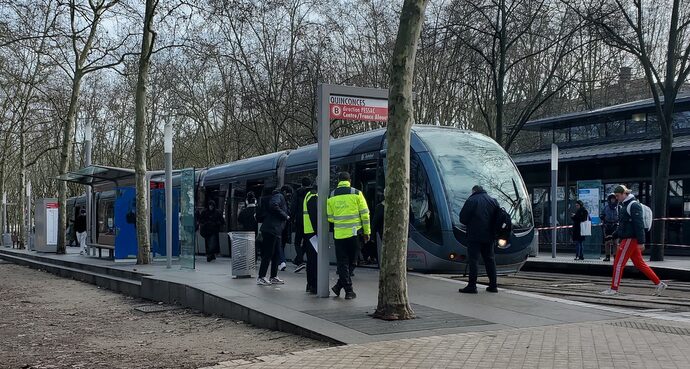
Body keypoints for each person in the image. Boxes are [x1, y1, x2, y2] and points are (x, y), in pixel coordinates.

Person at [601, 185, 668, 296]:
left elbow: (639, 225)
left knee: (618, 264)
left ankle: (613, 289)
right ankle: (659, 283)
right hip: (630, 239)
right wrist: (612, 236)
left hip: (629, 239)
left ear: (624, 194)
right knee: (640, 264)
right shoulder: (626, 205)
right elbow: (624, 225)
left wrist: (641, 242)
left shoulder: (633, 205)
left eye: (618, 196)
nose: (616, 198)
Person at [327, 172, 370, 299]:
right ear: (349, 180)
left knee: (342, 263)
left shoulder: (332, 195)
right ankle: (348, 290)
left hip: (339, 235)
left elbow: (330, 217)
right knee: (354, 261)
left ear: (339, 181)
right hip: (354, 233)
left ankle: (340, 286)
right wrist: (367, 232)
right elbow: (365, 214)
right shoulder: (357, 193)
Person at [458, 185, 499, 294]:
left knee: (473, 260)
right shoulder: (493, 201)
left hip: (474, 236)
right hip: (489, 236)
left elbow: (463, 218)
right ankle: (493, 285)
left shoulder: (471, 200)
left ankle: (472, 286)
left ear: (474, 191)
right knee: (490, 260)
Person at [256, 187, 290, 286]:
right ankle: (261, 277)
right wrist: (285, 215)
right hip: (271, 229)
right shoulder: (279, 196)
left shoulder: (279, 197)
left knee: (275, 255)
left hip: (275, 230)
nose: (289, 196)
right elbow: (273, 205)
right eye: (288, 194)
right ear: (284, 192)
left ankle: (273, 276)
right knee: (268, 254)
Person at [291, 177, 312, 273]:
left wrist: (291, 218)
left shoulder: (297, 192)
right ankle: (299, 260)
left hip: (299, 220)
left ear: (301, 184)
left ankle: (300, 261)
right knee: (307, 241)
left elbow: (293, 207)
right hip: (310, 221)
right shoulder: (313, 193)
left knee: (297, 242)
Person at [302, 185, 318, 294]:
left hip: (309, 231)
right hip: (313, 233)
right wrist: (318, 231)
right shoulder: (313, 195)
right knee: (314, 261)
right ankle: (314, 285)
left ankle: (310, 284)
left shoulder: (309, 194)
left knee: (311, 260)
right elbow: (314, 216)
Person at [278, 185, 293, 272]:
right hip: (283, 226)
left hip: (283, 226)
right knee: (280, 244)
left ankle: (281, 261)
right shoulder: (284, 200)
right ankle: (281, 261)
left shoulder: (282, 200)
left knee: (280, 244)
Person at [600, 194, 619, 262]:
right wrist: (602, 216)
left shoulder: (619, 207)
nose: (612, 200)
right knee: (607, 242)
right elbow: (602, 214)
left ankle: (615, 257)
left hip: (615, 226)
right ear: (609, 199)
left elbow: (621, 217)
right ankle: (607, 257)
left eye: (614, 199)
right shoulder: (606, 207)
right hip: (607, 226)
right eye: (611, 199)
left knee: (615, 243)